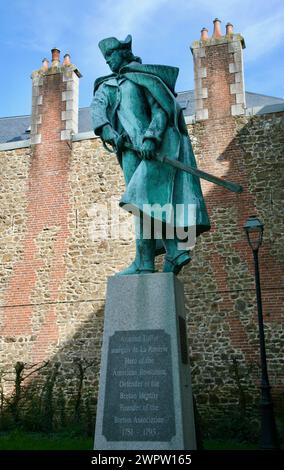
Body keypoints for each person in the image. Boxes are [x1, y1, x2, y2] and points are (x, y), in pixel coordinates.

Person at [91, 35, 210, 275]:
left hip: (153, 151)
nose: (108, 62)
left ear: (123, 53)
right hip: (129, 154)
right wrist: (110, 134)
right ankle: (171, 251)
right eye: (105, 58)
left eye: (111, 56)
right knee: (146, 203)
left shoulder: (142, 78)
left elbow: (161, 109)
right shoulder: (107, 86)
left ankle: (149, 260)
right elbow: (98, 111)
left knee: (143, 201)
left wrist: (151, 138)